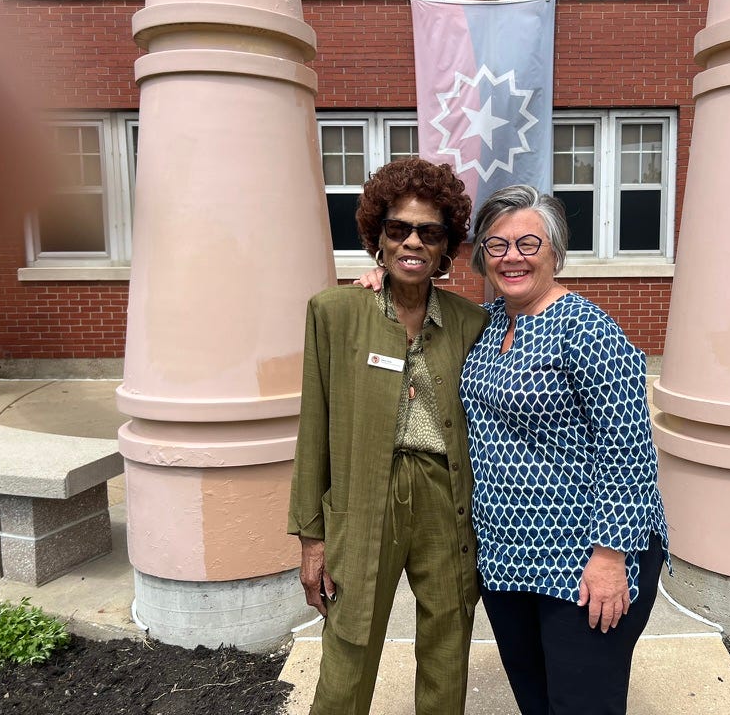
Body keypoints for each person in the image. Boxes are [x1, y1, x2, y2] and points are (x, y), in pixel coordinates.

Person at [287, 157, 488, 715]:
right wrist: (311, 537)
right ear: (378, 235)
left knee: (449, 639)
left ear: (446, 245)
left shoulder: (471, 322)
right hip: (364, 496)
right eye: (398, 229)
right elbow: (314, 433)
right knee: (350, 639)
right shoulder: (334, 313)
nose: (412, 243)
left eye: (429, 232)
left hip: (444, 495)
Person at [460, 185, 670, 715]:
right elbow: (415, 311)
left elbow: (629, 449)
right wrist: (378, 281)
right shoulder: (487, 327)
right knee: (536, 700)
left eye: (529, 243)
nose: (512, 257)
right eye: (496, 245)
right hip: (506, 559)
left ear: (556, 252)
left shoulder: (587, 329)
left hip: (582, 559)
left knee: (582, 705)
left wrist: (609, 558)